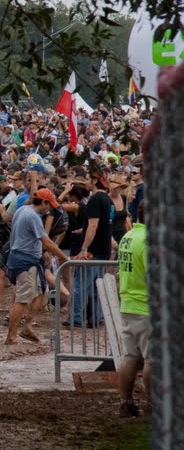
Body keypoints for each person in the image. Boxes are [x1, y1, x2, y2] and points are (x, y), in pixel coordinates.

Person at [5, 188, 69, 344]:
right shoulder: (33, 216)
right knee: (22, 299)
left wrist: (41, 252)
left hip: (25, 257)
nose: (49, 209)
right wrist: (64, 257)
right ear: (43, 202)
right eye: (49, 205)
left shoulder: (22, 210)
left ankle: (27, 326)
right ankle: (11, 336)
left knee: (42, 293)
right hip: (25, 261)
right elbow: (46, 241)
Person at [116, 202, 149, 418]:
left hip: (128, 303)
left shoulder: (128, 237)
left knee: (129, 358)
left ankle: (126, 403)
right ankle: (155, 405)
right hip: (147, 306)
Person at [71, 171, 114, 327]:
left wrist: (84, 248)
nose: (86, 183)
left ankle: (75, 318)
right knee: (97, 288)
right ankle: (96, 318)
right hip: (104, 249)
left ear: (95, 180)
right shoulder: (109, 200)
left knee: (80, 285)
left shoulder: (95, 199)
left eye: (88, 179)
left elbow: (94, 225)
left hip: (93, 251)